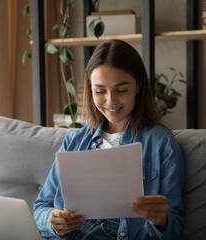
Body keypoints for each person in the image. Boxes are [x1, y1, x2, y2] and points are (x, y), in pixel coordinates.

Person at [33, 39, 185, 240]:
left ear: (138, 85)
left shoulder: (161, 144)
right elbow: (41, 208)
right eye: (100, 91)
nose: (111, 101)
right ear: (90, 88)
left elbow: (173, 229)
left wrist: (160, 221)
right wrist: (53, 222)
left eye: (121, 90)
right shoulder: (74, 143)